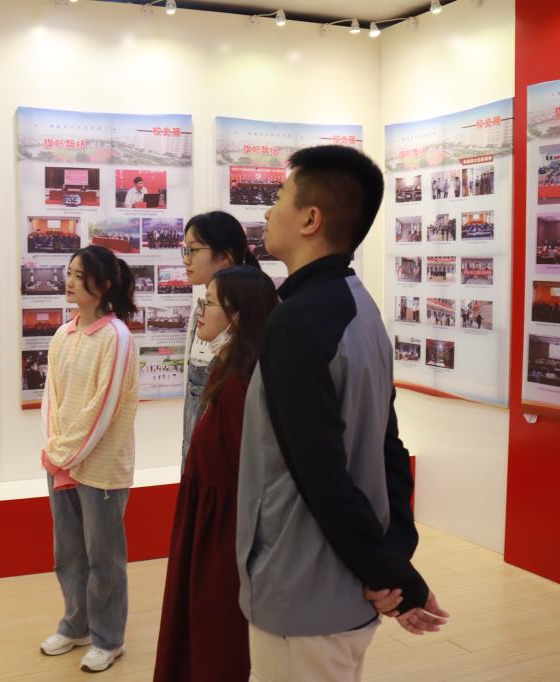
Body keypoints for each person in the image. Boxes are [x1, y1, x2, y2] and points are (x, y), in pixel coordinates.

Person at [237, 145, 449, 681]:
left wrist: (391, 574)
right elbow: (388, 446)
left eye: (279, 197)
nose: (268, 211)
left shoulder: (298, 322)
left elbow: (321, 474)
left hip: (301, 594)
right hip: (346, 590)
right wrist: (391, 564)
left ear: (310, 218)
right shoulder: (360, 307)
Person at [154, 266, 278, 682]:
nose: (200, 312)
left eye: (209, 303)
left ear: (237, 315)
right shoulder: (224, 373)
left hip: (224, 533)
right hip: (208, 522)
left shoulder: (241, 388)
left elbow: (251, 477)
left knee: (216, 635)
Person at [38, 245, 139, 674]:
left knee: (104, 560)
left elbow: (104, 407)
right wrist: (54, 449)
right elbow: (51, 398)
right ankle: (75, 625)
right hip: (61, 461)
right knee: (69, 554)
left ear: (105, 284)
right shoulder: (63, 334)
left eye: (80, 275)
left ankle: (108, 638)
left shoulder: (117, 337)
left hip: (100, 467)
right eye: (70, 272)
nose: (70, 281)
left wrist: (65, 451)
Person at [179, 211, 260, 474]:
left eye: (193, 250)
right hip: (196, 450)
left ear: (225, 256)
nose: (186, 260)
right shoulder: (199, 313)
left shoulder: (252, 314)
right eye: (185, 250)